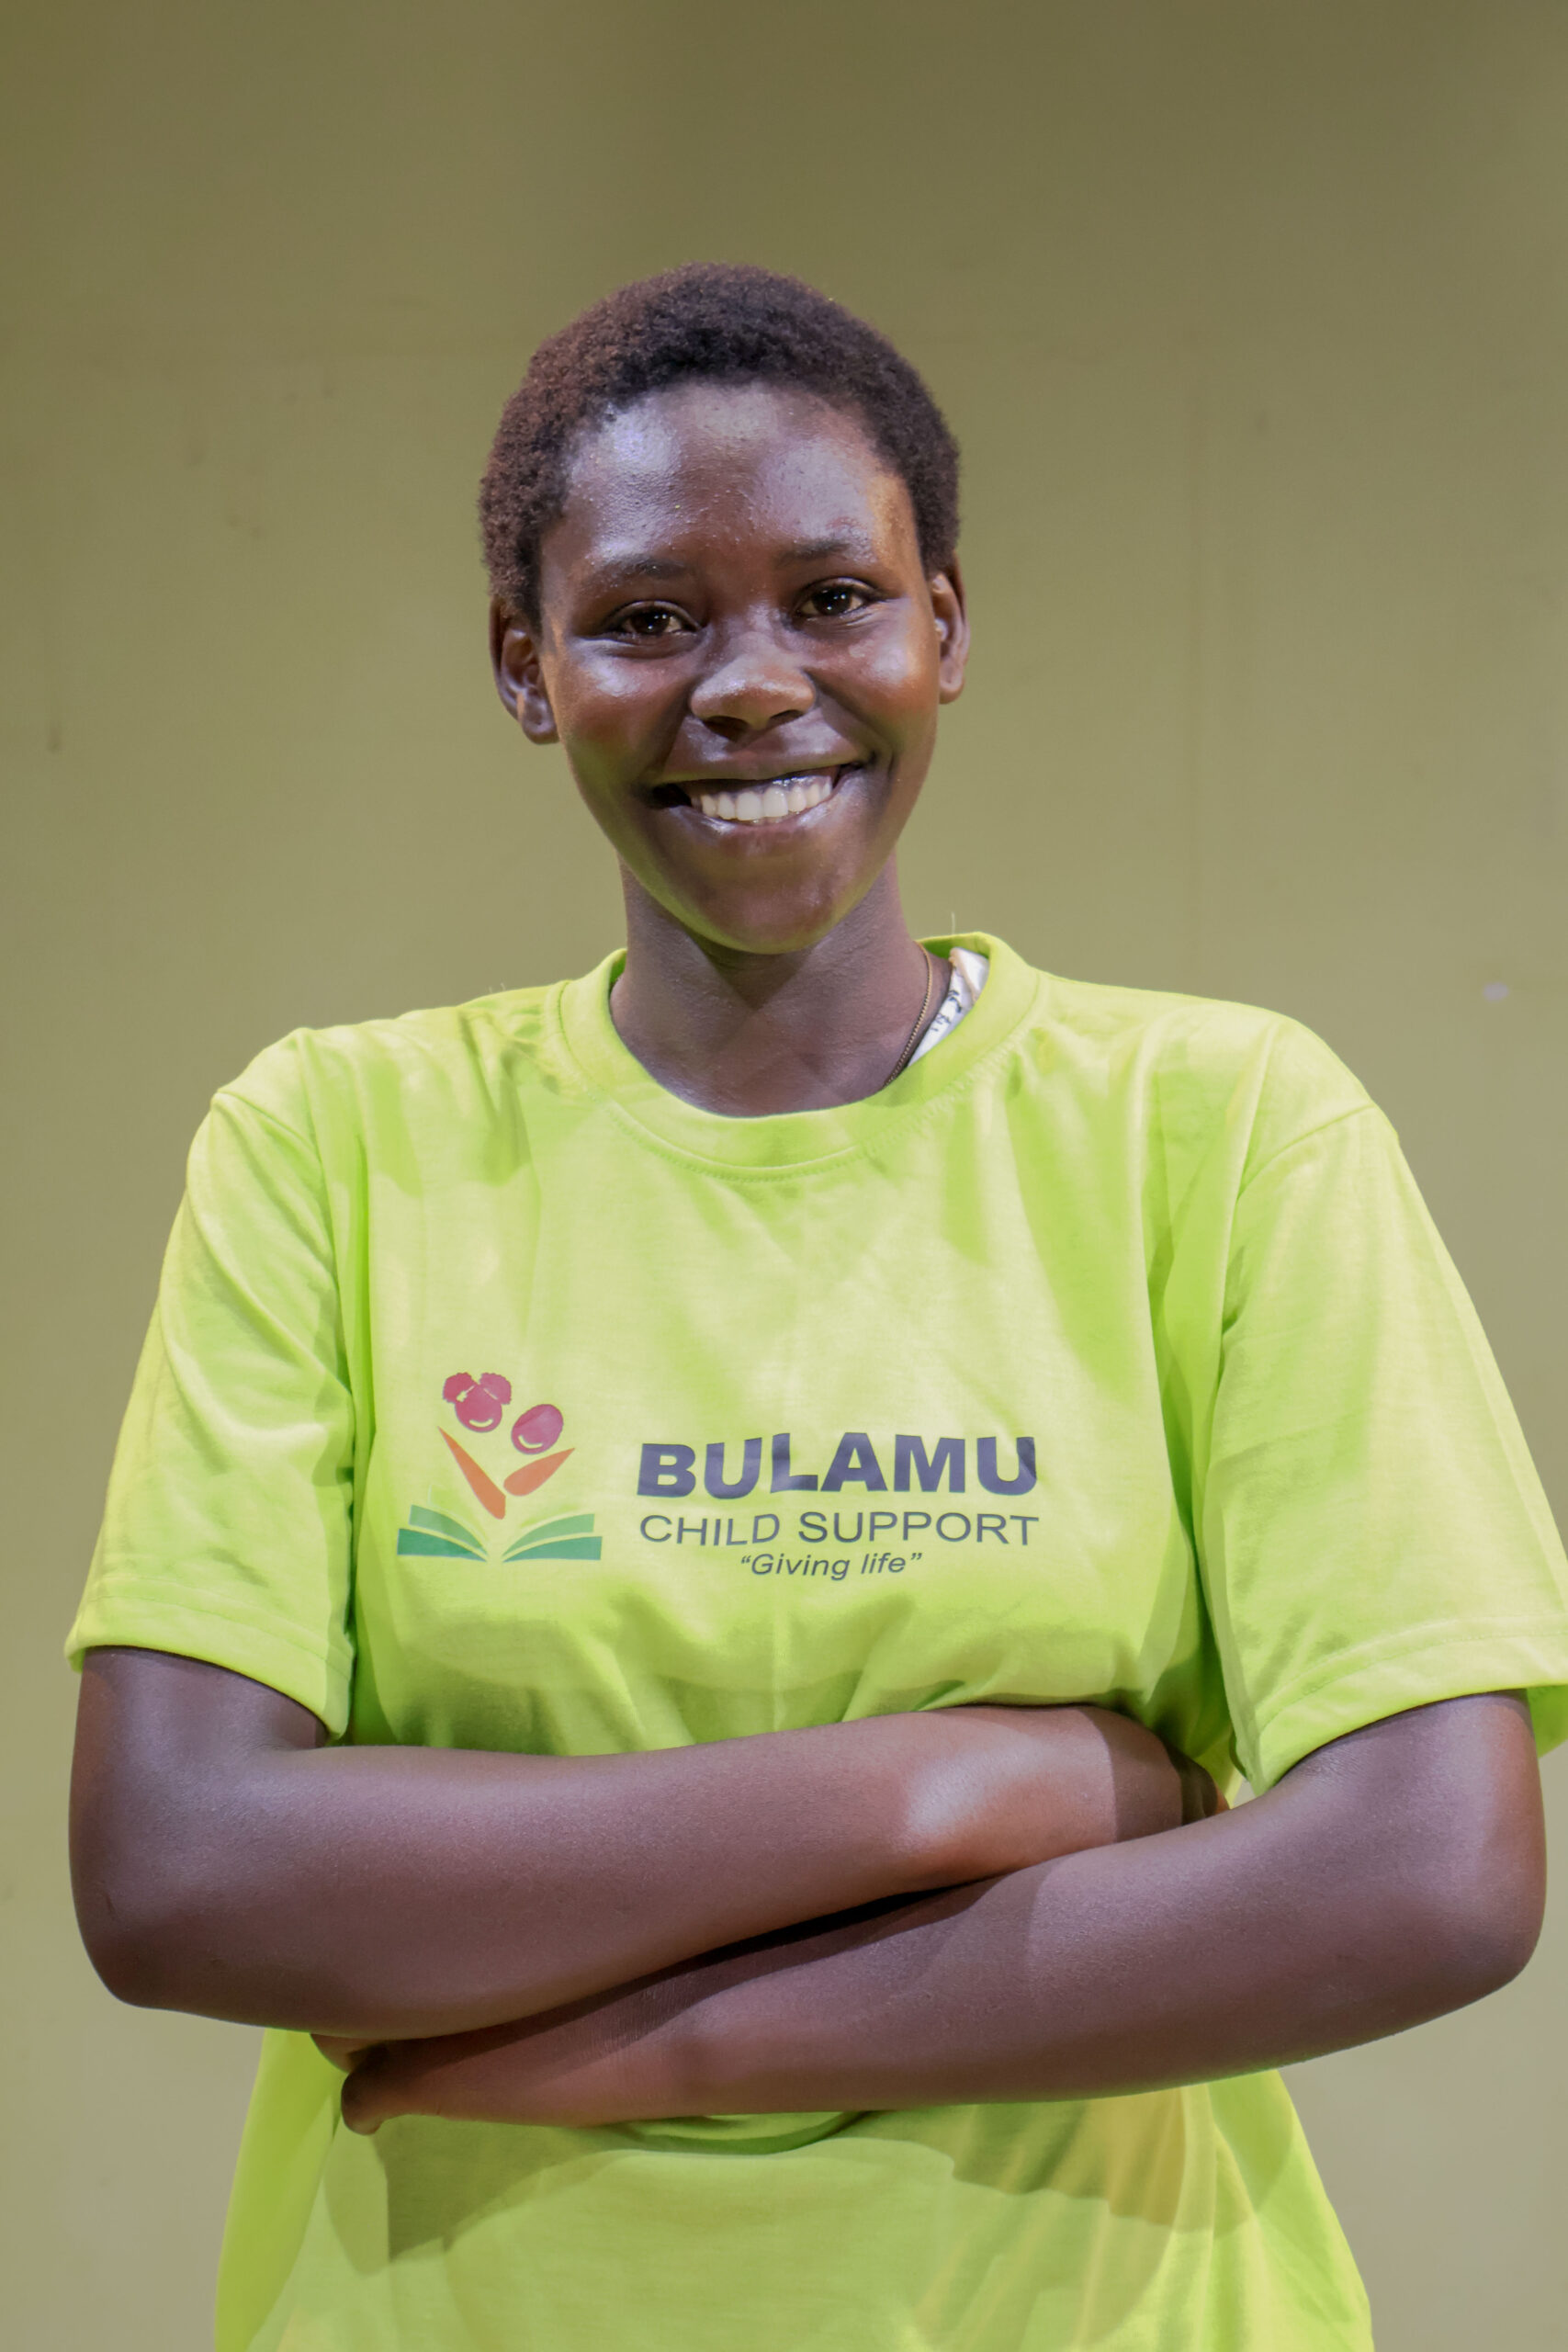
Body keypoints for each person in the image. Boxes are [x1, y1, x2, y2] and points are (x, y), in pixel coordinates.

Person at [67, 263, 1568, 2352]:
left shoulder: (1220, 1128)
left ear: (941, 625)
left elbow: (1429, 1872)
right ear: (525, 665)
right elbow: (177, 1872)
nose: (752, 684)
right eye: (648, 616)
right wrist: (957, 1787)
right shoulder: (333, 1143)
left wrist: (676, 2046)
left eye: (833, 599)